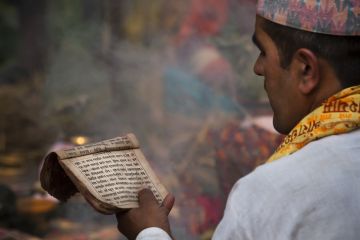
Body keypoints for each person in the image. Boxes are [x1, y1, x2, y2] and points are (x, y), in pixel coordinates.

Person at [116, 0, 360, 239]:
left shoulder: (269, 194)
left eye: (263, 52)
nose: (257, 67)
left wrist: (148, 232)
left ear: (306, 70)